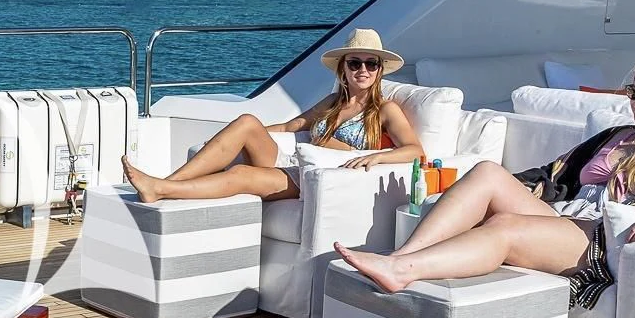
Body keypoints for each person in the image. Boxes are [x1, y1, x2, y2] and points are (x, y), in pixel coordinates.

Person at [335, 52, 635, 303]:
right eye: (634, 91)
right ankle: (400, 258)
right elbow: (551, 176)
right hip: (566, 218)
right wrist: (489, 194)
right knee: (488, 172)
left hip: (600, 238)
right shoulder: (617, 135)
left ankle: (405, 272)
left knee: (505, 226)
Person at [121, 28, 422, 203]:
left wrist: (377, 156)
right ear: (343, 68)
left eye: (371, 64)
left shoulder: (384, 109)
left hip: (320, 177)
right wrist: (242, 137)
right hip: (294, 161)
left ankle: (162, 189)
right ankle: (165, 184)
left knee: (240, 175)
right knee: (247, 122)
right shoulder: (332, 101)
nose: (363, 70)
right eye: (355, 63)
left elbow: (416, 152)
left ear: (380, 70)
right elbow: (292, 126)